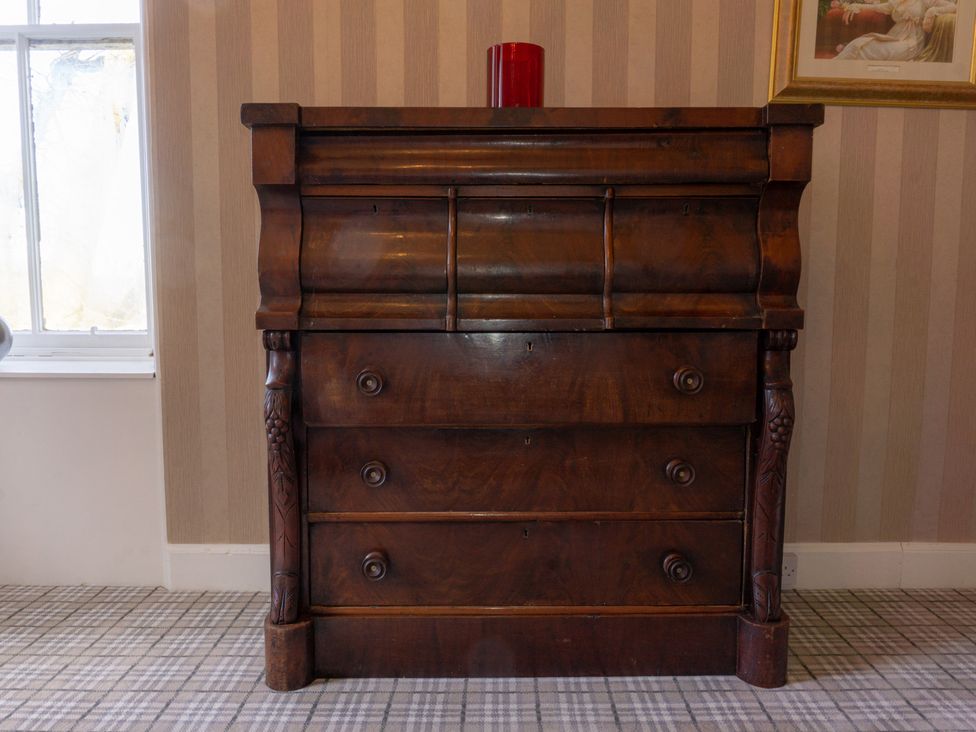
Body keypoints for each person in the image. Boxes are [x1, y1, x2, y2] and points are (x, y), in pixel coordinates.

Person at [836, 0, 957, 60]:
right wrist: (857, 6)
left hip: (911, 42)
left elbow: (954, 6)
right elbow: (878, 7)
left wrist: (931, 11)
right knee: (858, 43)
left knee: (868, 49)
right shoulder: (896, 1)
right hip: (894, 36)